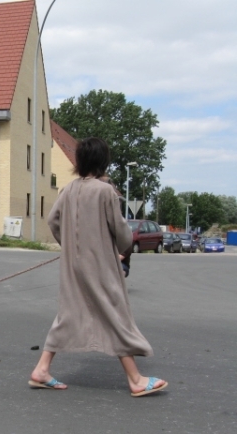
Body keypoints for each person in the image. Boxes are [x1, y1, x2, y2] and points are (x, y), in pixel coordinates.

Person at [29, 137, 168, 397]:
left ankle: (42, 369)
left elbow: (52, 219)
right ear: (103, 161)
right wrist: (120, 251)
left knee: (69, 313)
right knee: (113, 311)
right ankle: (136, 379)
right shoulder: (105, 192)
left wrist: (68, 244)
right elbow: (123, 233)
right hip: (100, 264)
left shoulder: (68, 189)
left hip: (73, 265)